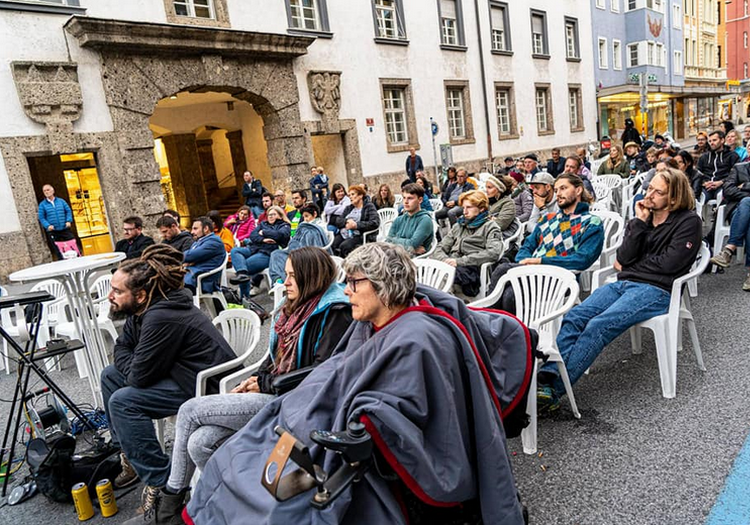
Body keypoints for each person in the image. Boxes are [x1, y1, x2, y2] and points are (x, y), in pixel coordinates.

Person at [185, 243, 527, 525]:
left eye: (354, 283)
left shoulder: (419, 338)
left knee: (267, 499)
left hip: (352, 447)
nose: (346, 291)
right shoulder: (371, 321)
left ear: (383, 285)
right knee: (228, 454)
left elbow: (414, 410)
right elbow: (339, 369)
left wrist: (361, 418)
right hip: (318, 418)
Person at [130, 248, 353, 524]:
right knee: (200, 442)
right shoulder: (292, 308)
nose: (286, 282)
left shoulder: (333, 311)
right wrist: (254, 379)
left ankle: (169, 505)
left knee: (189, 410)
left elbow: (322, 374)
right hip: (276, 391)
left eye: (294, 276)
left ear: (312, 276)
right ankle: (227, 505)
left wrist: (264, 382)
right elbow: (274, 357)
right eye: (286, 275)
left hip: (295, 402)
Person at [536, 168, 702, 413]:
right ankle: (548, 374)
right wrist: (639, 223)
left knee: (599, 325)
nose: (649, 195)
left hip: (657, 290)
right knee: (576, 316)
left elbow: (670, 264)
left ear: (674, 197)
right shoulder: (645, 217)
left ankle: (554, 390)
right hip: (624, 283)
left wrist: (633, 265)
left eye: (658, 192)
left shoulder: (688, 221)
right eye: (649, 189)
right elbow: (623, 257)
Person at [100, 244, 236, 503]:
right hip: (177, 372)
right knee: (110, 375)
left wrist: (134, 362)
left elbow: (138, 376)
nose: (110, 296)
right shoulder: (143, 309)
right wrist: (134, 360)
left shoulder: (161, 315)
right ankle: (129, 451)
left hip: (202, 384)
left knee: (123, 402)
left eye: (117, 291)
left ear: (140, 295)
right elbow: (122, 346)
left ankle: (163, 484)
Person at [488, 173, 605, 312]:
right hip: (532, 272)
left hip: (560, 279)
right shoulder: (548, 219)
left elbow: (582, 260)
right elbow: (527, 245)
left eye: (563, 188)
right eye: (556, 190)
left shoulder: (591, 223)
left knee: (509, 293)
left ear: (578, 190)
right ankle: (495, 326)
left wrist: (540, 261)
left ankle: (495, 326)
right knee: (504, 274)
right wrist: (524, 261)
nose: (559, 194)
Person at [434, 190, 504, 297]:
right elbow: (441, 247)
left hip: (470, 269)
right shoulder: (459, 226)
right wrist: (445, 260)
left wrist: (460, 261)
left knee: (441, 280)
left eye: (469, 207)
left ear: (481, 208)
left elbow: (493, 252)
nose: (464, 212)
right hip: (451, 265)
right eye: (463, 208)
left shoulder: (490, 227)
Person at [229, 206, 291, 298]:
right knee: (235, 251)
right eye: (269, 215)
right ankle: (242, 274)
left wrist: (264, 232)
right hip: (253, 249)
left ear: (280, 216)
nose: (270, 217)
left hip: (267, 253)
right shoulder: (263, 224)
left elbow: (280, 235)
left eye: (273, 214)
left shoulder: (284, 225)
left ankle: (244, 297)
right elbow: (253, 236)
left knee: (245, 266)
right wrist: (263, 240)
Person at [710, 160, 750, 290]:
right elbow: (728, 190)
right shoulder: (739, 168)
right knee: (746, 202)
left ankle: (728, 250)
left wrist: (744, 186)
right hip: (738, 211)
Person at [268, 203, 328, 283]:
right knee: (276, 254)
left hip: (308, 253)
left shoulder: (320, 226)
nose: (305, 219)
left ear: (315, 214)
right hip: (295, 250)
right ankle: (278, 280)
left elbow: (316, 241)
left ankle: (289, 280)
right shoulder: (303, 225)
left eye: (307, 216)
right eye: (304, 217)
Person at [386, 183, 433, 256]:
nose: (405, 202)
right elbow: (387, 241)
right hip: (397, 257)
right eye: (404, 198)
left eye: (410, 198)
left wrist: (395, 240)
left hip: (417, 262)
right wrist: (408, 247)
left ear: (420, 200)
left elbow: (412, 244)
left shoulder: (425, 220)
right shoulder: (399, 219)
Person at [331, 185, 380, 257]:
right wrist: (346, 221)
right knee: (333, 245)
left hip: (360, 235)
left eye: (353, 194)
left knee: (344, 246)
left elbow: (375, 223)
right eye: (349, 195)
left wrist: (356, 225)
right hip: (345, 233)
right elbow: (338, 220)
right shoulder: (349, 208)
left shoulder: (369, 206)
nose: (350, 197)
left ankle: (346, 265)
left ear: (360, 196)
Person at [183, 217, 226, 295]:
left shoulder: (213, 241)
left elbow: (190, 255)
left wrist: (174, 256)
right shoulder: (200, 241)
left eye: (195, 229)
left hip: (202, 281)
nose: (192, 232)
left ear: (206, 228)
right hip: (193, 277)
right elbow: (190, 256)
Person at [696, 130, 740, 201]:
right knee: (698, 197)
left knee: (723, 197)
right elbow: (697, 173)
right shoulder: (704, 157)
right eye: (710, 141)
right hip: (706, 187)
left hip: (724, 186)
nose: (711, 143)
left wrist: (721, 182)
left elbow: (736, 174)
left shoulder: (732, 156)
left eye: (714, 140)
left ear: (722, 140)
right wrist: (704, 183)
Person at [37, 184, 77, 260]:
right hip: (53, 231)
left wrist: (68, 221)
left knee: (72, 245)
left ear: (53, 191)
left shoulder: (61, 201)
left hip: (65, 229)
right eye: (44, 191)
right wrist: (47, 225)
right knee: (58, 250)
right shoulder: (42, 205)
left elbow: (68, 211)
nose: (46, 192)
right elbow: (41, 217)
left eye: (48, 190)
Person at [485, 175, 518, 241]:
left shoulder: (508, 203)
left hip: (500, 237)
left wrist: (485, 218)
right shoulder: (489, 201)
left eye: (489, 187)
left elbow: (500, 224)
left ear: (499, 189)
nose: (486, 190)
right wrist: (490, 219)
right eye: (486, 187)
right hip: (487, 233)